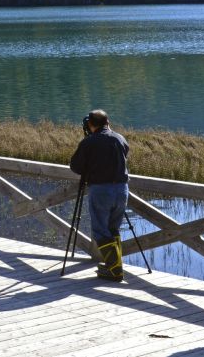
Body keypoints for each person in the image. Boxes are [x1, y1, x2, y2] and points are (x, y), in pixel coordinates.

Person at [69, 109, 130, 281]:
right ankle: (113, 266)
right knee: (113, 228)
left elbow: (76, 167)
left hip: (101, 190)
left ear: (90, 124)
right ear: (107, 122)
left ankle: (116, 271)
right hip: (122, 189)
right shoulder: (120, 138)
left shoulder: (89, 142)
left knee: (101, 231)